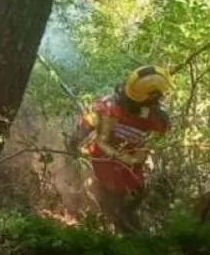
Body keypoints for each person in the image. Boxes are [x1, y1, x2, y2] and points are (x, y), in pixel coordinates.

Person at [73, 65, 172, 232]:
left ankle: (125, 222)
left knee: (138, 191)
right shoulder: (107, 106)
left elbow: (161, 130)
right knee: (112, 195)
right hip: (104, 159)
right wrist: (75, 141)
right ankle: (109, 223)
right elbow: (85, 126)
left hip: (131, 164)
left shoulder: (153, 115)